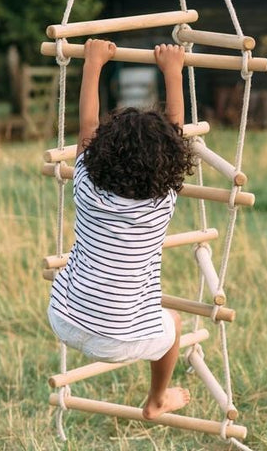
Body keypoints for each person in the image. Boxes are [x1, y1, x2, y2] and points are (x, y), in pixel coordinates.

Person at [48, 39, 195, 420]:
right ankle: (157, 399)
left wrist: (94, 63)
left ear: (102, 151)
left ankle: (155, 396)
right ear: (169, 163)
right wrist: (173, 72)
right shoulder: (161, 201)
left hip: (63, 319)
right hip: (122, 340)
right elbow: (176, 133)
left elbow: (87, 125)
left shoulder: (86, 184)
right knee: (174, 323)